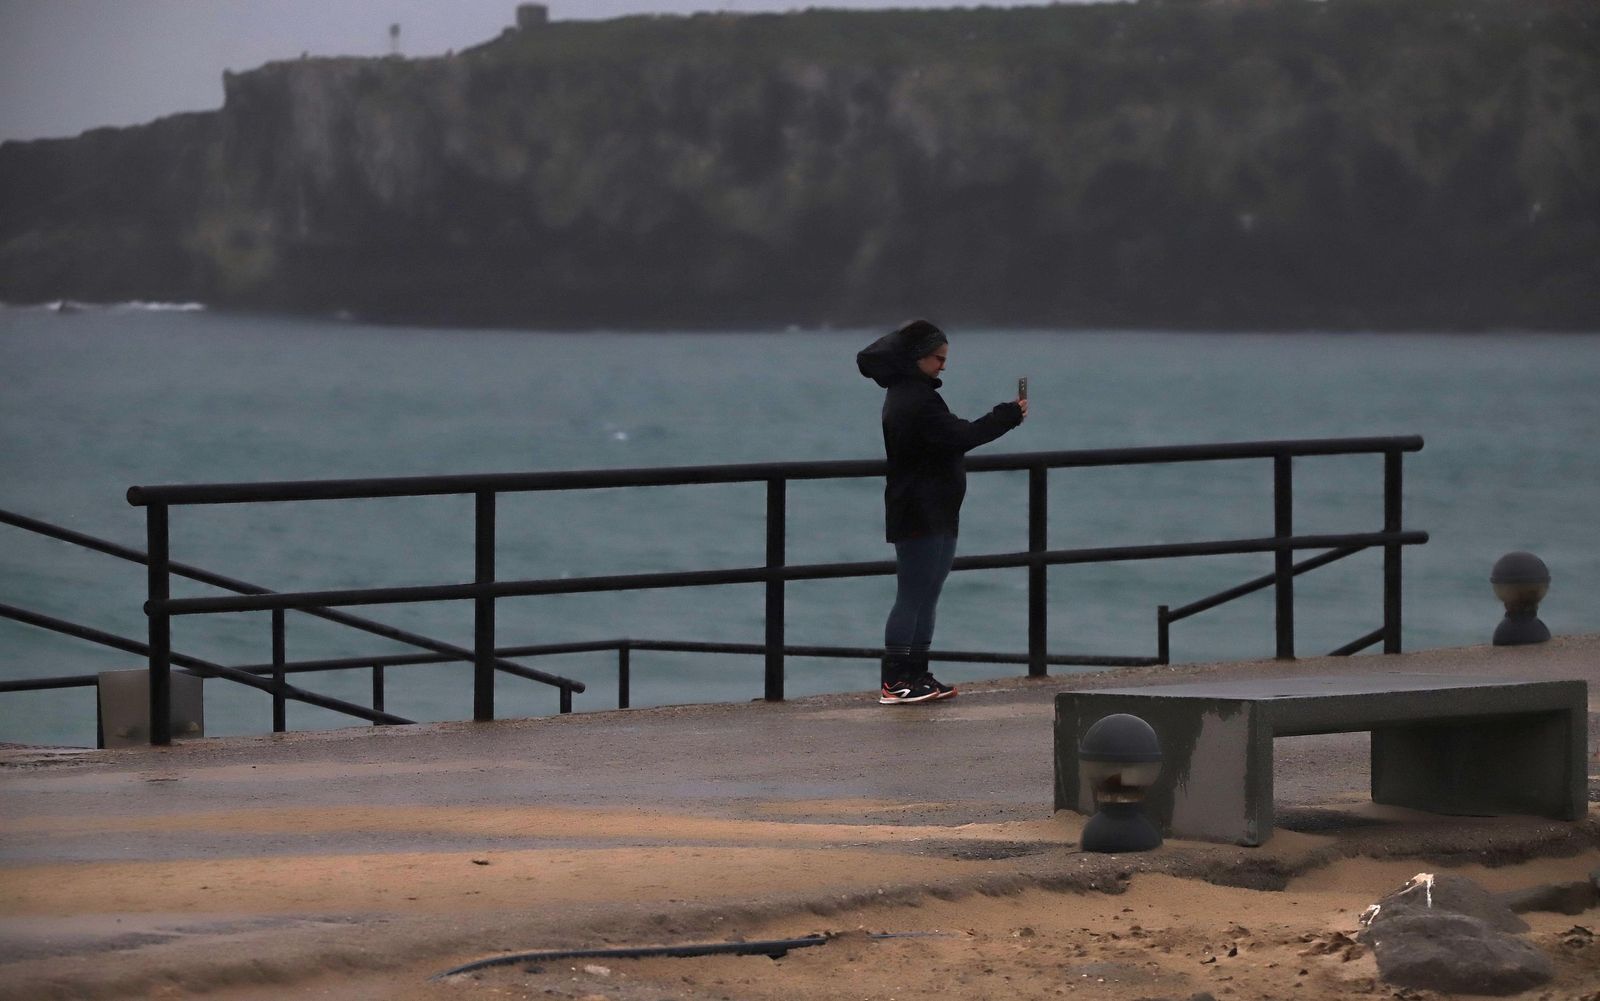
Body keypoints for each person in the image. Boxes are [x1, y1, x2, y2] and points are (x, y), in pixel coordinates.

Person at [856, 319, 1027, 704]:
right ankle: (895, 680)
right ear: (917, 357)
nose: (943, 366)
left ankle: (917, 673)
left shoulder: (915, 393)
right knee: (913, 594)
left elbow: (949, 439)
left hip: (936, 508)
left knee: (927, 593)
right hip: (918, 509)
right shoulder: (912, 399)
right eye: (938, 358)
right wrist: (1007, 415)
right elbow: (961, 436)